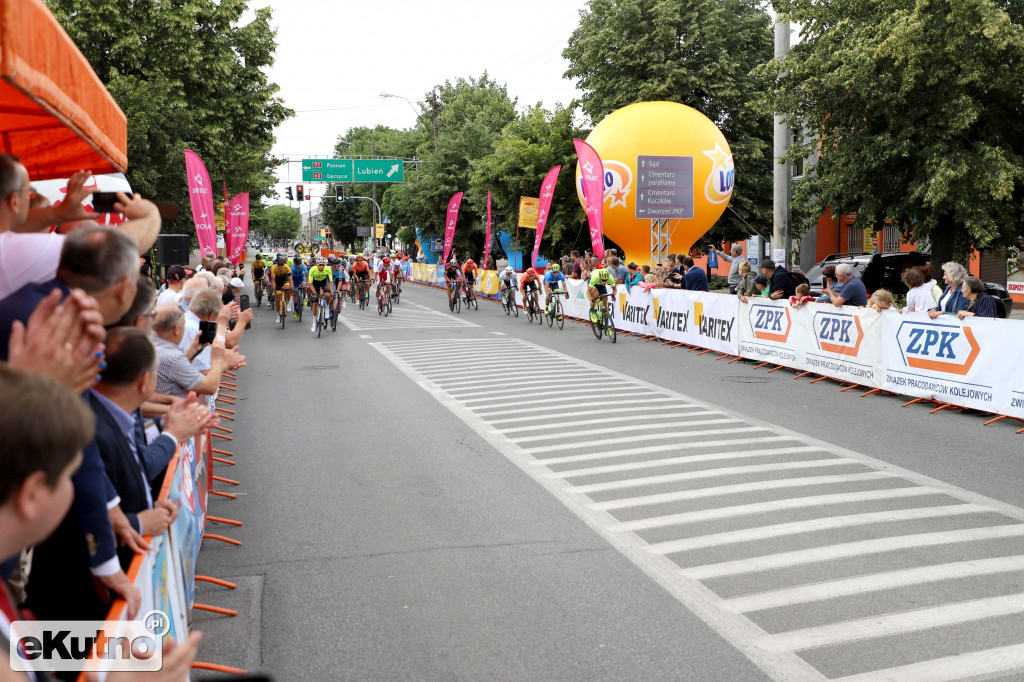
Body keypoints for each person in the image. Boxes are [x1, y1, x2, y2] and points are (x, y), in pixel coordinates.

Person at [150, 305, 226, 398]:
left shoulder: (149, 344)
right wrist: (218, 359)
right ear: (176, 329)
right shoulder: (173, 357)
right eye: (183, 325)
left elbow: (172, 370)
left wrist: (192, 351)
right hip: (172, 410)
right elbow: (210, 387)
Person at [307, 256, 334, 330]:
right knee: (315, 303)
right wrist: (315, 292)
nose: (321, 267)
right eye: (320, 265)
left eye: (323, 265)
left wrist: (332, 293)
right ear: (317, 265)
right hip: (315, 283)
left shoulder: (328, 269)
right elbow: (310, 283)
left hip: (324, 282)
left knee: (327, 295)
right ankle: (314, 322)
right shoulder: (312, 269)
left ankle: (327, 307)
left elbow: (331, 282)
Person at [270, 254, 292, 323]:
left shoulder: (287, 267)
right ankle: (278, 315)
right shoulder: (273, 268)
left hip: (285, 279)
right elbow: (273, 280)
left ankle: (288, 303)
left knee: (288, 290)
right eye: (279, 265)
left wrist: (291, 287)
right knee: (277, 299)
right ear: (277, 264)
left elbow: (290, 279)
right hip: (277, 281)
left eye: (282, 265)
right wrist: (274, 290)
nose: (281, 266)